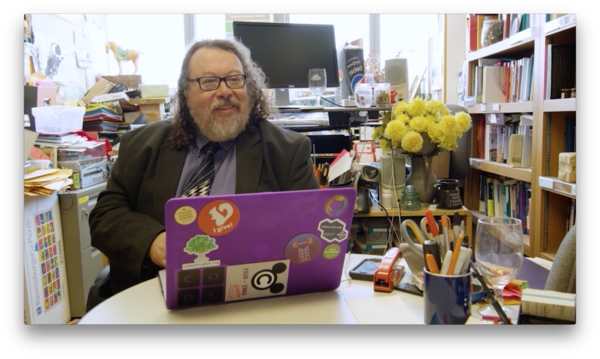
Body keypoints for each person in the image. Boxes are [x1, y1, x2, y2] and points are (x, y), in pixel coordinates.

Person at [89, 39, 319, 295]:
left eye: (234, 79)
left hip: (252, 295)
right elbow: (105, 216)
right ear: (186, 97)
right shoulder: (141, 146)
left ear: (249, 89)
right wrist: (152, 242)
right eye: (209, 82)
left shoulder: (287, 151)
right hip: (154, 296)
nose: (225, 91)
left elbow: (309, 228)